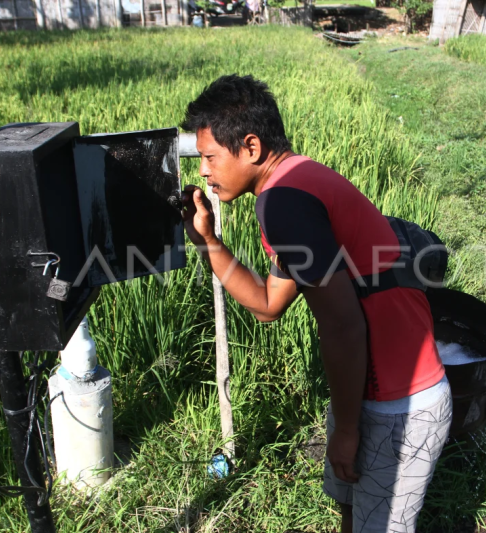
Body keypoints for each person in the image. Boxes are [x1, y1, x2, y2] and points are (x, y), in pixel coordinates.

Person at [180, 74, 451, 533]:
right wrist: (208, 241)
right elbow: (268, 304)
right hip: (373, 395)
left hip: (399, 405)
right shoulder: (297, 182)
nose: (203, 171)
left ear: (250, 147)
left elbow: (343, 327)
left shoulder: (283, 202)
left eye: (209, 157)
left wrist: (347, 431)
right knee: (352, 514)